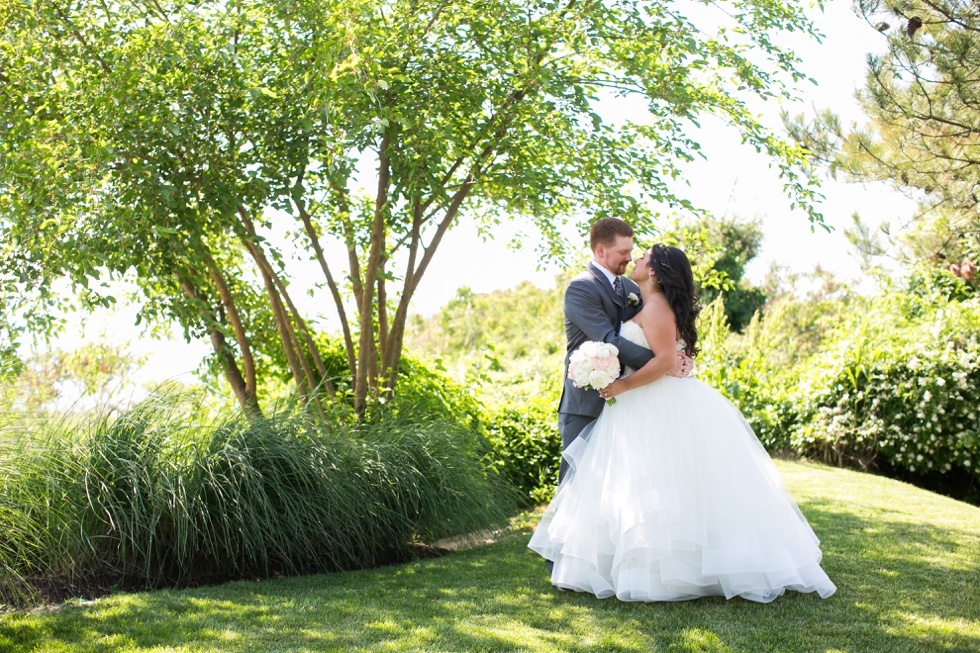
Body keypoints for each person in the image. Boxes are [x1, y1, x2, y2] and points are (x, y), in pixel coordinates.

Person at [530, 244, 837, 603]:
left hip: (648, 400)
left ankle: (667, 571)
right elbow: (662, 352)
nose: (636, 260)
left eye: (642, 258)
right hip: (638, 403)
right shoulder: (643, 299)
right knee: (642, 483)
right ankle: (635, 564)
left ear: (656, 272)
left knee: (658, 482)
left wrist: (624, 384)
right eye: (633, 254)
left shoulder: (656, 306)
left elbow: (661, 361)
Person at [558, 218, 691, 482]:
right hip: (587, 401)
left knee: (620, 487)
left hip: (630, 403)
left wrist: (677, 355)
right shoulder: (581, 288)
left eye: (632, 252)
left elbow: (658, 329)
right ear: (600, 251)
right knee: (577, 484)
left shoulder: (633, 288)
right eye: (623, 253)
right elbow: (609, 339)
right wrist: (664, 364)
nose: (630, 258)